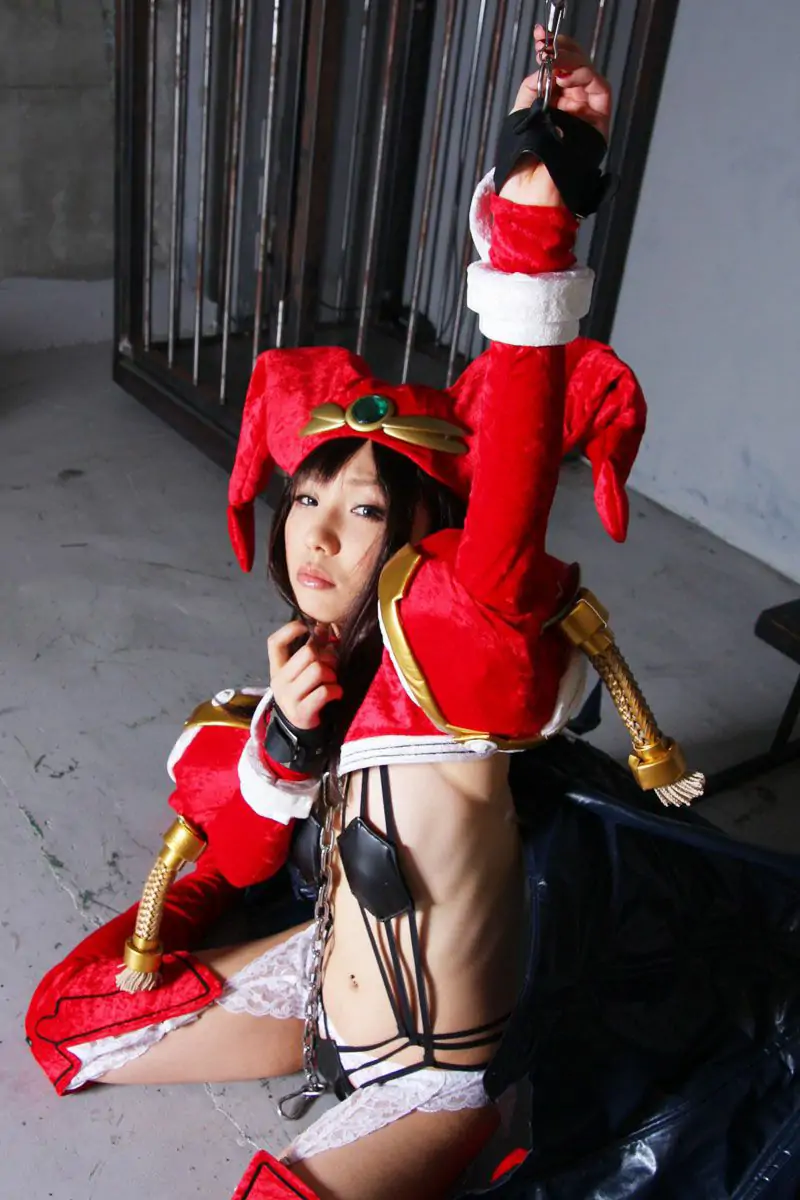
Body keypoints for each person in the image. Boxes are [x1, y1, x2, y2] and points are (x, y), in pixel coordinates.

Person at [26, 29, 651, 1200]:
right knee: (67, 1022)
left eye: (361, 511)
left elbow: (511, 479)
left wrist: (534, 218)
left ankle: (480, 1137)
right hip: (318, 990)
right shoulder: (321, 657)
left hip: (423, 1075)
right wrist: (283, 744)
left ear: (423, 535)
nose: (312, 536)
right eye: (305, 499)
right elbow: (238, 857)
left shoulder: (460, 631)